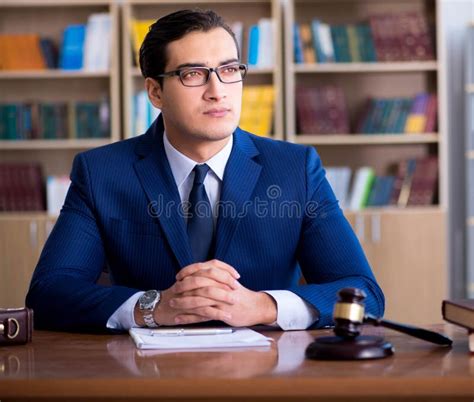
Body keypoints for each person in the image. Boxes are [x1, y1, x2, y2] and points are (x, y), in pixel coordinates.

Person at [26, 9, 384, 332]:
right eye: (193, 74)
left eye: (229, 70)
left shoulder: (295, 169)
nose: (218, 91)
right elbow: (48, 293)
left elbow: (363, 291)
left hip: (267, 372)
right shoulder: (102, 172)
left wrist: (262, 306)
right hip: (144, 373)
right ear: (155, 92)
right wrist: (153, 307)